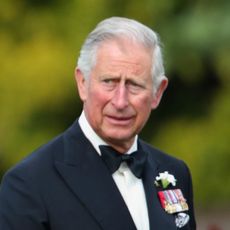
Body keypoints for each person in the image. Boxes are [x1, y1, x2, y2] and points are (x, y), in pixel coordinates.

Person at [0, 17, 196, 229]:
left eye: (134, 85)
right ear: (82, 83)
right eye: (109, 82)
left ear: (157, 93)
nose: (120, 101)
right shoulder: (29, 184)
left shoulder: (175, 172)